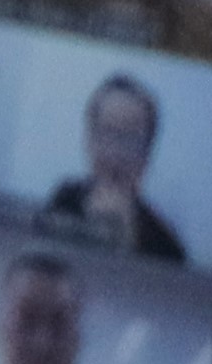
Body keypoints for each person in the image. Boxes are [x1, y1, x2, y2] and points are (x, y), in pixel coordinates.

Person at [40, 69, 193, 262]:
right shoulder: (62, 201)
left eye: (130, 139)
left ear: (148, 153)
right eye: (107, 133)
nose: (115, 153)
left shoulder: (167, 248)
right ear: (89, 141)